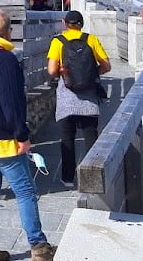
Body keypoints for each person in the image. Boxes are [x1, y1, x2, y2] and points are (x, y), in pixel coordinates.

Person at [0, 11, 56, 261]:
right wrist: (22, 136)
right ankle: (39, 249)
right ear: (8, 32)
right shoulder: (6, 59)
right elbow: (12, 103)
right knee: (26, 192)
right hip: (4, 140)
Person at [46, 10, 112, 188]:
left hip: (67, 97)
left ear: (64, 23)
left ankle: (68, 178)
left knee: (67, 138)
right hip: (89, 96)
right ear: (82, 24)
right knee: (91, 136)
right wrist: (91, 74)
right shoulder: (91, 39)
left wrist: (64, 73)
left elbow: (51, 70)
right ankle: (92, 179)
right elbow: (107, 66)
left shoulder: (58, 41)